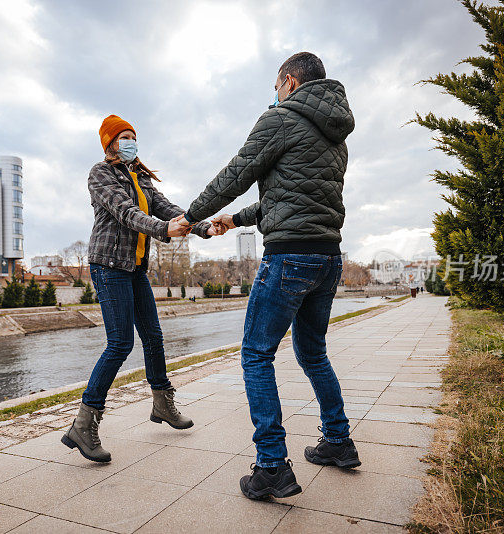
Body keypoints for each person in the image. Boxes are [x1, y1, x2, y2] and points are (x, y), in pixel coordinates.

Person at [176, 52, 360, 500]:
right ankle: (339, 441)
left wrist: (191, 215)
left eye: (276, 86)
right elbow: (285, 199)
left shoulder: (280, 119)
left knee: (257, 354)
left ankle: (272, 466)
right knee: (312, 351)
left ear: (289, 81)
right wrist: (233, 222)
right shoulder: (336, 137)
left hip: (289, 258)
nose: (274, 94)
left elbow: (238, 172)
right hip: (327, 258)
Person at [63, 115, 225, 463]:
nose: (131, 141)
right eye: (124, 136)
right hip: (108, 266)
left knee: (153, 336)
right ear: (110, 143)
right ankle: (83, 423)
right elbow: (126, 213)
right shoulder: (100, 174)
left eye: (134, 136)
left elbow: (168, 209)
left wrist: (203, 227)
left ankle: (162, 404)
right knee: (120, 343)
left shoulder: (140, 175)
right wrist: (164, 229)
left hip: (134, 268)